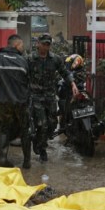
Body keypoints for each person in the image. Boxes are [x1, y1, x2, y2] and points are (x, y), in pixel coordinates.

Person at [27, 33, 78, 162]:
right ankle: (42, 148)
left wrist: (72, 84)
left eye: (48, 44)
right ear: (38, 44)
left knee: (52, 124)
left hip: (50, 96)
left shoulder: (55, 59)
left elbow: (65, 72)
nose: (46, 46)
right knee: (42, 124)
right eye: (43, 44)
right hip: (36, 96)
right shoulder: (30, 59)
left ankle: (38, 139)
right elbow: (23, 75)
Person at [0, 34, 31, 169]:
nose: (22, 48)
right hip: (20, 102)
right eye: (21, 45)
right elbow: (27, 81)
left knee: (3, 129)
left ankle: (3, 158)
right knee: (25, 130)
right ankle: (27, 161)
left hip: (2, 101)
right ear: (16, 45)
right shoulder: (23, 61)